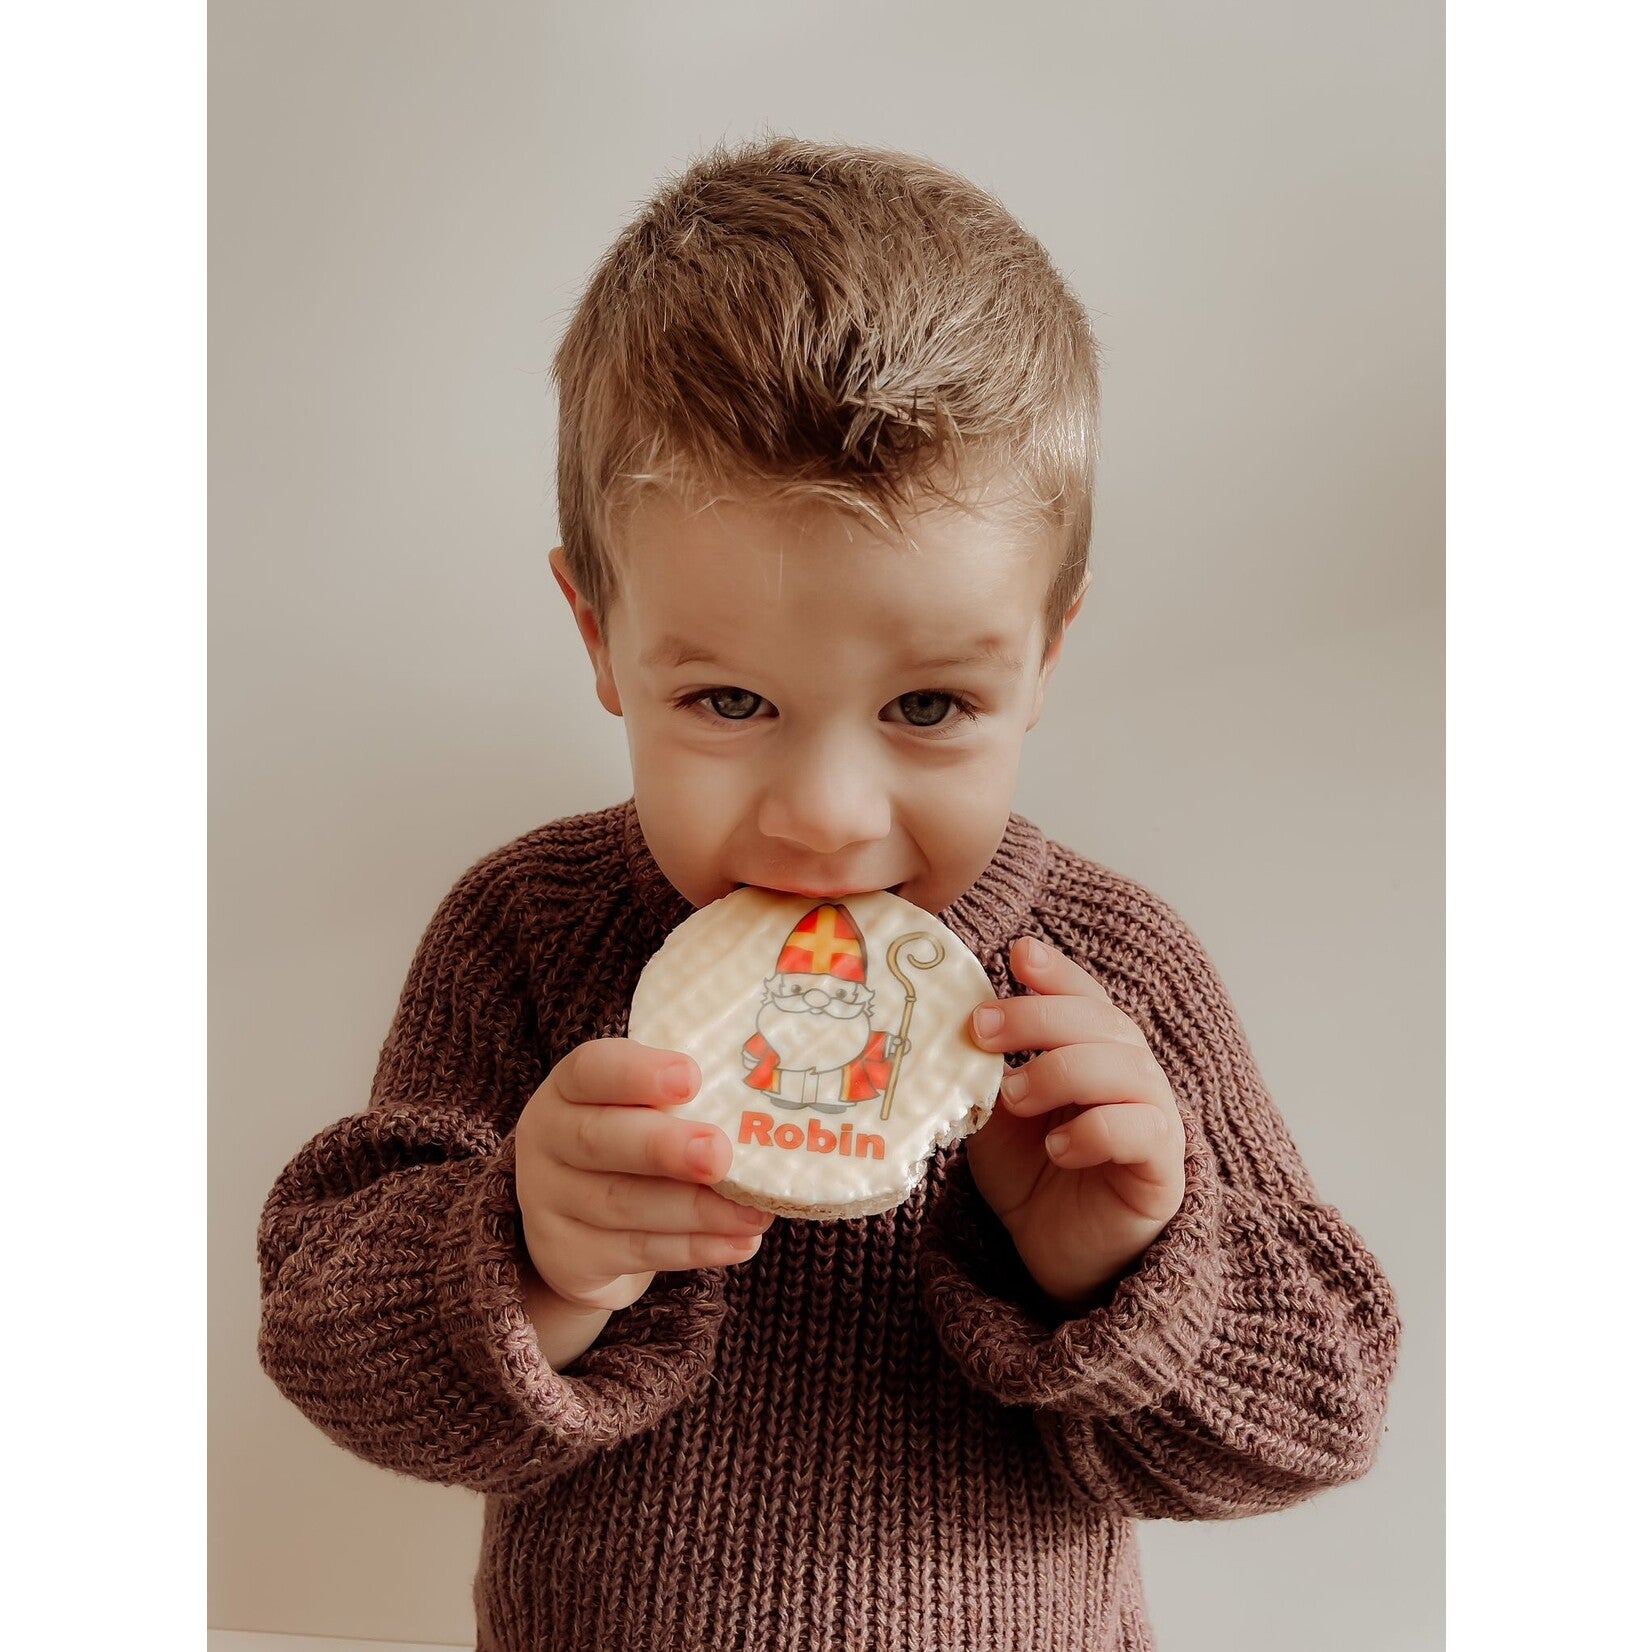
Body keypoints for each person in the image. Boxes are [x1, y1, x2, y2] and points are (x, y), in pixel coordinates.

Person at [257, 134, 1402, 1651]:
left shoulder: (1108, 977)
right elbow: (326, 1338)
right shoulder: (528, 932)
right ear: (600, 634)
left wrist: (1129, 1266)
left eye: (928, 709)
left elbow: (1324, 1408)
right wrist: (527, 1252)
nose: (825, 820)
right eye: (730, 702)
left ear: (1043, 657)